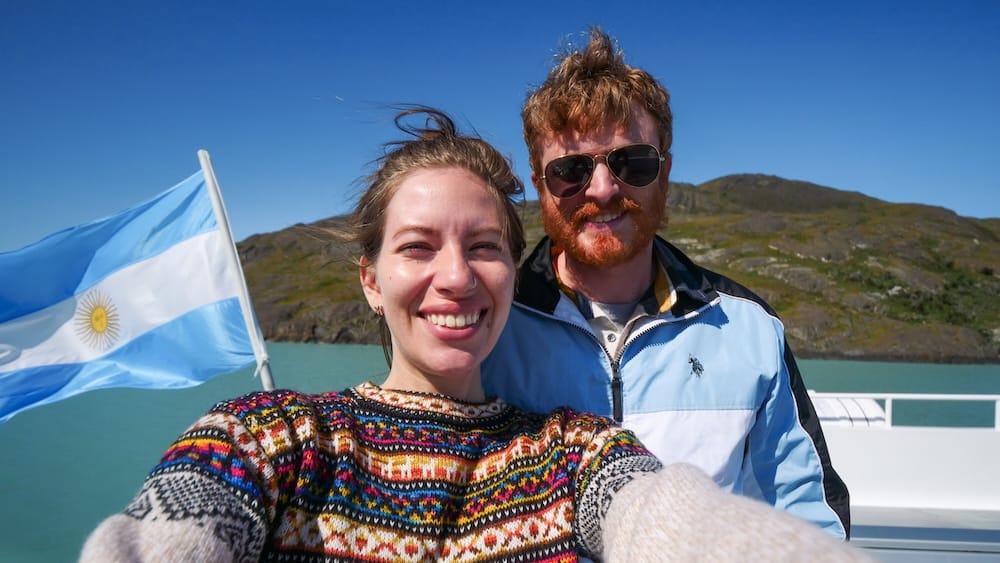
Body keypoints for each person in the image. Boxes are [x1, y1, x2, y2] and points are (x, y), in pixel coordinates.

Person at [80, 108, 868, 562]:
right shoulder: (271, 437)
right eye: (419, 246)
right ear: (369, 276)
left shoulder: (574, 452)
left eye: (484, 245)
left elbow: (671, 518)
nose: (455, 276)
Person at [481, 28, 851, 539]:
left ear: (666, 172)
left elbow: (804, 514)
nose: (604, 189)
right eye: (571, 169)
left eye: (632, 162)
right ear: (541, 182)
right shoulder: (487, 327)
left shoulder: (747, 328)